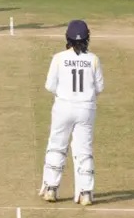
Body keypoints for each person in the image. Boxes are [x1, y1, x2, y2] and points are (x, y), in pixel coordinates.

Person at [39, 20, 104, 206]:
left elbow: (49, 85)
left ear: (67, 37)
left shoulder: (59, 58)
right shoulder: (93, 59)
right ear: (87, 37)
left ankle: (51, 188)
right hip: (86, 108)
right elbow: (100, 87)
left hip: (63, 107)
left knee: (57, 146)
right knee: (84, 150)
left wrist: (65, 93)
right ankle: (86, 193)